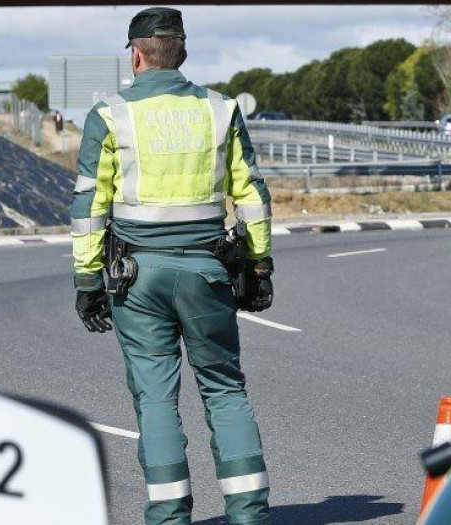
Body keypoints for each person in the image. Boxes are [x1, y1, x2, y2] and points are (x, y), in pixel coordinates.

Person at [69, 7, 274, 525]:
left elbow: (90, 205)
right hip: (208, 272)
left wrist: (88, 279)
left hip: (136, 279)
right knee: (225, 390)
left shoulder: (110, 115)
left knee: (156, 399)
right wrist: (258, 266)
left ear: (136, 55)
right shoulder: (220, 109)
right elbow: (251, 194)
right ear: (182, 53)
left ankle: (169, 516)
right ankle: (249, 514)